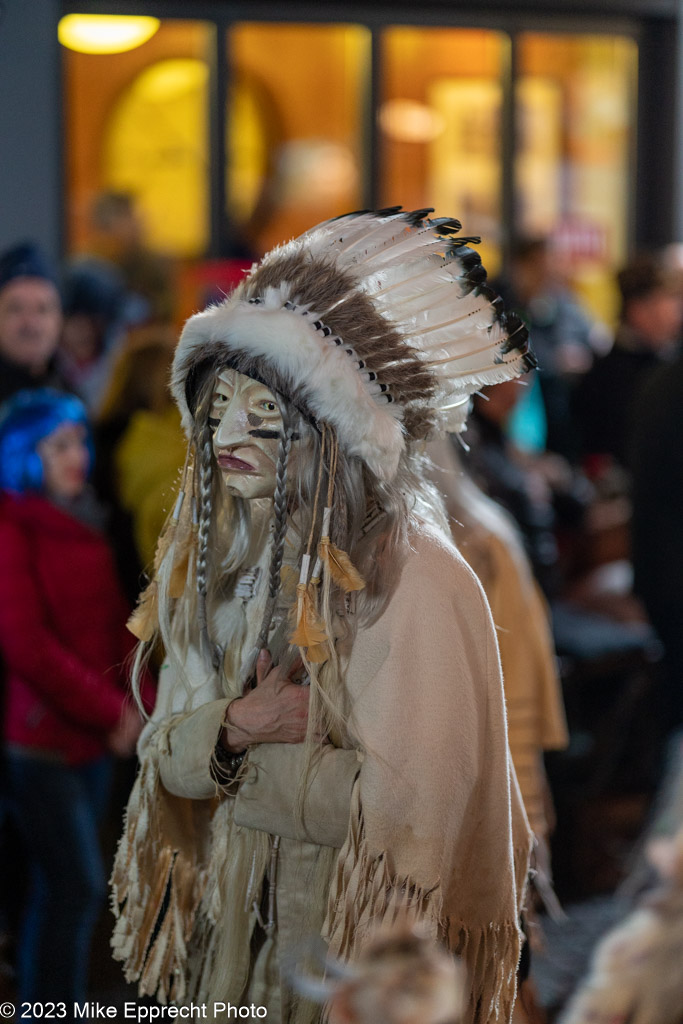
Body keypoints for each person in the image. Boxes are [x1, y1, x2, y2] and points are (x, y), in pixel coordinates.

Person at [111, 208, 535, 1024]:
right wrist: (239, 722)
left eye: (264, 410)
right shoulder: (221, 569)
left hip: (352, 969)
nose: (229, 429)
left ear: (330, 433)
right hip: (229, 952)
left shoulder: (421, 583)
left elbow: (416, 826)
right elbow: (159, 759)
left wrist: (231, 762)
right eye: (219, 401)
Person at [0, 389, 149, 1014]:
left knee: (66, 887)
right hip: (42, 741)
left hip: (90, 738)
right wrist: (111, 710)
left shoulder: (82, 515)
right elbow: (26, 643)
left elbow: (115, 625)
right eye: (57, 444)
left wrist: (143, 700)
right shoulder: (13, 524)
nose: (76, 455)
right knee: (74, 887)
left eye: (79, 440)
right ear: (22, 454)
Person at [577, 253, 683, 474]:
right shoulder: (615, 378)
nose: (678, 312)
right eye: (671, 299)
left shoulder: (661, 365)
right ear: (639, 310)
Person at [0, 243, 65, 405]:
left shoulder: (71, 402)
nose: (30, 323)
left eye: (42, 310)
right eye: (16, 309)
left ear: (59, 319)